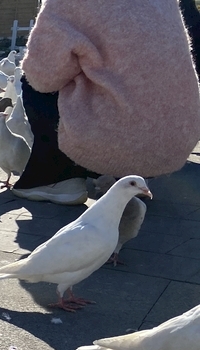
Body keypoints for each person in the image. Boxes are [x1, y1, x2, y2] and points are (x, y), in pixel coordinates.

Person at [12, 0, 200, 205]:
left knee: (31, 83)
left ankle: (58, 177)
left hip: (118, 140)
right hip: (174, 142)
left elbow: (42, 76)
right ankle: (127, 178)